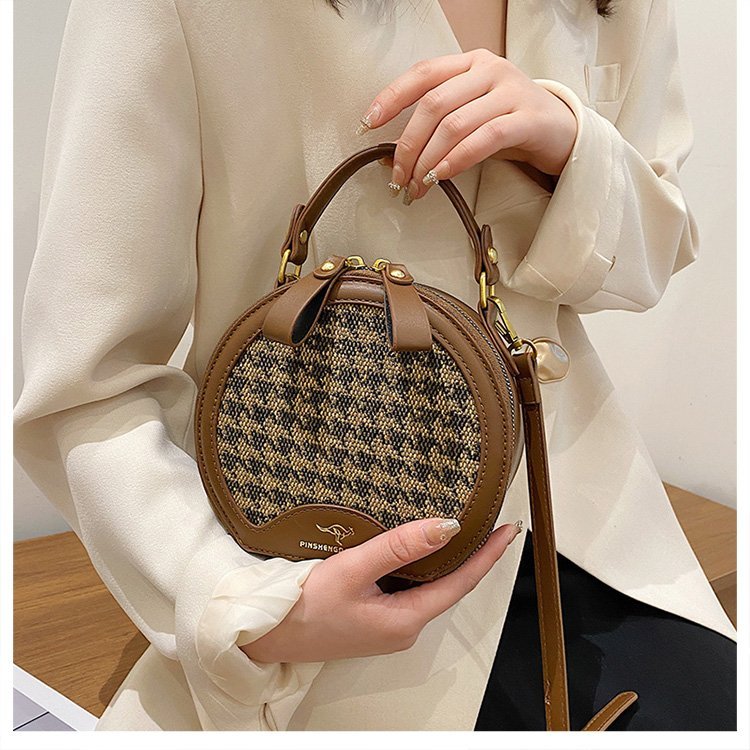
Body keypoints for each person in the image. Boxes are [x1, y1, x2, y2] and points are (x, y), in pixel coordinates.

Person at [13, 0, 736, 732]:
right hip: (315, 552)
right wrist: (240, 602)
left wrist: (571, 148)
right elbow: (88, 384)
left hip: (580, 517)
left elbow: (655, 253)